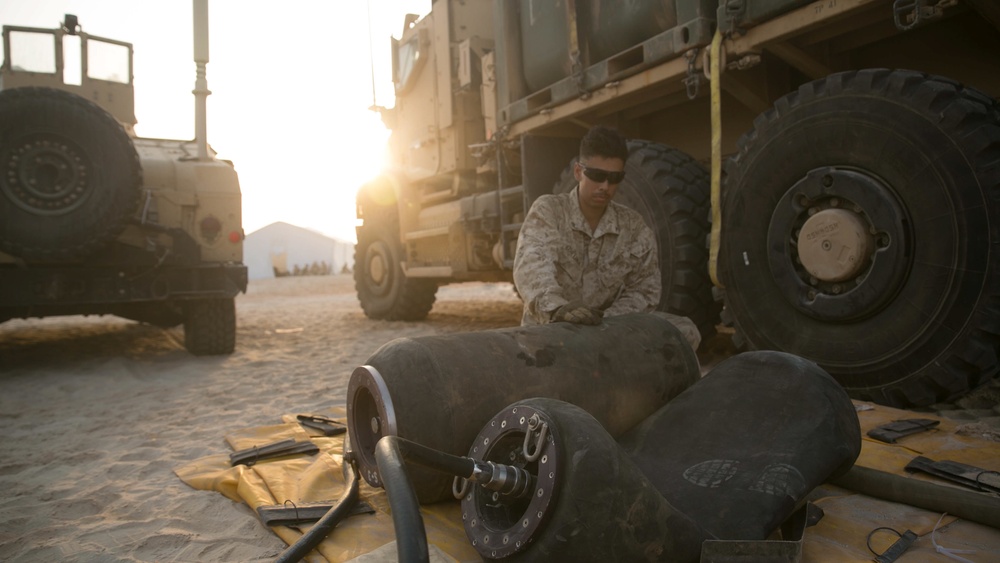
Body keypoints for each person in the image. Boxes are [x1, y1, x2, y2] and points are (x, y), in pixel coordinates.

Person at [513, 125, 661, 327]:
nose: (605, 186)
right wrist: (558, 309)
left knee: (685, 330)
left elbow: (646, 288)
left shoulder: (633, 227)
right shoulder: (549, 212)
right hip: (551, 331)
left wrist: (604, 322)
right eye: (597, 176)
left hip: (605, 332)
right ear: (578, 172)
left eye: (614, 178)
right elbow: (531, 268)